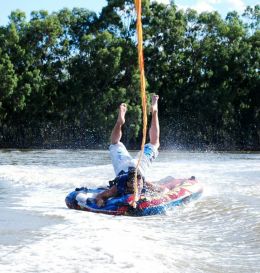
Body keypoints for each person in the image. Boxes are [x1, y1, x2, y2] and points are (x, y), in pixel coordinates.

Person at [95, 94, 163, 207]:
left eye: (137, 185)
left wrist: (100, 201)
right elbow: (162, 190)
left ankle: (119, 122)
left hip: (132, 166)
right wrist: (100, 202)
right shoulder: (121, 186)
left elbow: (101, 196)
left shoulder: (138, 183)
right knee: (154, 143)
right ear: (127, 183)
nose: (136, 188)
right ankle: (154, 112)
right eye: (133, 186)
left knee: (115, 143)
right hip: (134, 166)